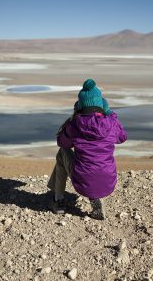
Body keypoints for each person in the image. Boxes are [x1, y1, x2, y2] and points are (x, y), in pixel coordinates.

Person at [47, 79, 127, 220]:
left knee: (63, 154)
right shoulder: (111, 122)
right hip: (108, 182)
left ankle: (58, 201)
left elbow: (62, 143)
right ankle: (94, 198)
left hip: (82, 180)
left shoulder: (75, 124)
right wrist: (110, 114)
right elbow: (122, 138)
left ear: (81, 105)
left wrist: (73, 119)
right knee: (95, 163)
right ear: (100, 104)